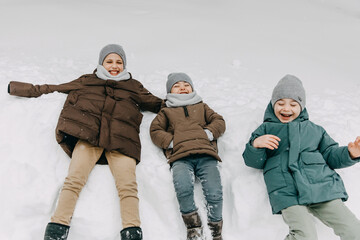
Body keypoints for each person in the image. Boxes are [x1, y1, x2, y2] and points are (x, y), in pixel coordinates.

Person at [8, 44, 163, 240]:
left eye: (119, 62)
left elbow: (159, 104)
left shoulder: (134, 87)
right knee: (74, 180)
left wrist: (186, 105)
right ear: (101, 63)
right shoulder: (87, 81)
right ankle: (57, 228)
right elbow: (54, 88)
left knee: (128, 186)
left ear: (124, 65)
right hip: (88, 137)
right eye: (109, 61)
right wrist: (20, 88)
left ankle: (132, 231)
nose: (114, 65)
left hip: (122, 142)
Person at [242, 74, 360, 240]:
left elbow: (331, 155)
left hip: (322, 188)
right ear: (273, 105)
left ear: (302, 107)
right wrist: (256, 145)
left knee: (354, 230)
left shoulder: (314, 130)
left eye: (293, 104)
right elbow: (253, 161)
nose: (286, 108)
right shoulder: (266, 129)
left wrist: (350, 153)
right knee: (305, 236)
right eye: (280, 103)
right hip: (287, 192)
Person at [150, 72, 226, 240]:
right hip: (180, 157)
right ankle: (194, 227)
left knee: (214, 192)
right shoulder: (166, 111)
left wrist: (208, 134)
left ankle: (216, 230)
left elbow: (219, 121)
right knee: (183, 189)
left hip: (206, 155)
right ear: (170, 92)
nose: (182, 87)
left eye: (186, 84)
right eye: (176, 86)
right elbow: (155, 131)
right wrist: (171, 141)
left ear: (192, 88)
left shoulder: (202, 106)